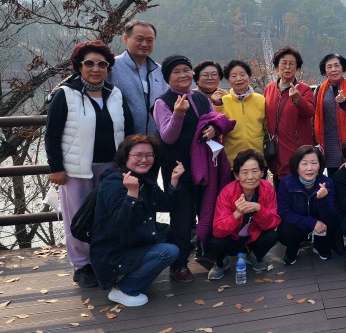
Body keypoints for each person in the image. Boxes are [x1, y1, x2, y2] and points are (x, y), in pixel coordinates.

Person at [46, 40, 134, 288]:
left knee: (107, 215)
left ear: (108, 67)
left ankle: (103, 259)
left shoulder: (115, 94)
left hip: (111, 168)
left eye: (102, 64)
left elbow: (128, 130)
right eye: (89, 64)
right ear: (79, 66)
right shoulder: (66, 94)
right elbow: (52, 134)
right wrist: (56, 168)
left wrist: (128, 163)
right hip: (76, 170)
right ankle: (82, 264)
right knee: (78, 217)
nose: (95, 69)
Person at [153, 55, 222, 283]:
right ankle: (179, 264)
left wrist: (213, 128)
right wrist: (178, 114)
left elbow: (214, 120)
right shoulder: (163, 102)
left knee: (206, 207)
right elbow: (168, 136)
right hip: (178, 168)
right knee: (181, 217)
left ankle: (206, 251)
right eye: (176, 72)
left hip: (203, 164)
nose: (183, 75)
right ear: (168, 78)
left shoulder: (201, 98)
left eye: (186, 70)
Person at [90, 135, 180, 307]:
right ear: (125, 157)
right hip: (113, 253)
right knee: (168, 251)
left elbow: (165, 204)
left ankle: (136, 273)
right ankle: (124, 289)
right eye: (138, 155)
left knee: (175, 234)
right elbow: (119, 224)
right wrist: (132, 194)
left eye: (149, 155)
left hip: (134, 242)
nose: (144, 160)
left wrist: (174, 181)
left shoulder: (144, 179)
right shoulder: (113, 182)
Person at [208, 150, 280, 280]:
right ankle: (221, 263)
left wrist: (259, 209)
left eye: (255, 171)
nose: (251, 177)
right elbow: (217, 229)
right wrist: (236, 214)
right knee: (216, 242)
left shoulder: (267, 188)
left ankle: (254, 256)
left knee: (273, 235)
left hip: (253, 236)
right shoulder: (227, 192)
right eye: (245, 172)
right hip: (232, 239)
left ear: (262, 173)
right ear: (236, 175)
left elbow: (274, 221)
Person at [276, 146, 338, 265]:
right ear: (296, 165)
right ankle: (293, 247)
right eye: (304, 164)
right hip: (298, 224)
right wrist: (311, 222)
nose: (310, 168)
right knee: (285, 230)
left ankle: (320, 246)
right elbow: (284, 212)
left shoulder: (327, 182)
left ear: (320, 165)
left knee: (333, 222)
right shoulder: (286, 183)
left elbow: (330, 215)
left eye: (314, 163)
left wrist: (323, 199)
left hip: (321, 225)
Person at [263, 46, 315, 179]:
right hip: (274, 151)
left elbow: (310, 112)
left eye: (292, 64)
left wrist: (298, 99)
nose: (287, 67)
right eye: (283, 63)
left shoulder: (304, 89)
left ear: (297, 68)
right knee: (279, 191)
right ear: (276, 67)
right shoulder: (269, 89)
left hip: (296, 151)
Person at [109, 20, 165, 135]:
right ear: (126, 39)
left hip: (154, 143)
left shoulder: (160, 71)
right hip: (121, 142)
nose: (144, 44)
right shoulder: (111, 67)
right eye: (139, 39)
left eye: (150, 40)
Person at [313, 53, 346, 175]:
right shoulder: (319, 90)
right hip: (329, 145)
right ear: (324, 71)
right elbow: (314, 116)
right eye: (329, 67)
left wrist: (344, 102)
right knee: (334, 181)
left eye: (336, 65)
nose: (333, 69)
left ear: (343, 68)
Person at [214, 60, 266, 165]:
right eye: (233, 76)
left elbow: (267, 128)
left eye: (242, 74)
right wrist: (217, 105)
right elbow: (220, 127)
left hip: (258, 158)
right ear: (228, 80)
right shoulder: (223, 101)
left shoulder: (261, 100)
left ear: (249, 76)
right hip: (232, 160)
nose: (239, 79)